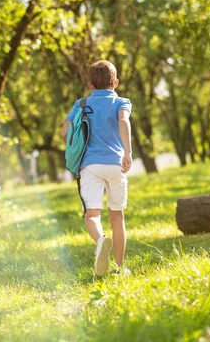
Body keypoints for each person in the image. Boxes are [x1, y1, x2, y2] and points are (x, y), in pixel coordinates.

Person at [60, 60, 133, 276]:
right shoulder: (122, 102)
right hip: (116, 164)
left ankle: (101, 241)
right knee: (117, 217)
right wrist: (127, 153)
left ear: (90, 84)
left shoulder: (81, 104)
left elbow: (65, 132)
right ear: (116, 82)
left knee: (92, 215)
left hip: (89, 165)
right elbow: (123, 122)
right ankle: (119, 268)